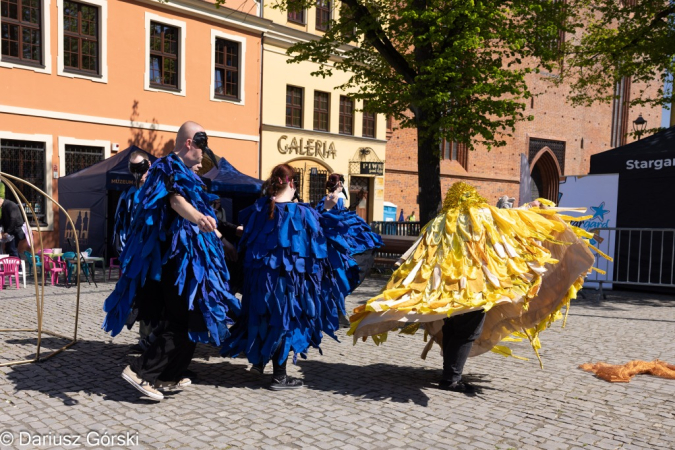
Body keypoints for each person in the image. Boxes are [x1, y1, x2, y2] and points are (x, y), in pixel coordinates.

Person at [349, 182, 601, 393]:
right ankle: (451, 378)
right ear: (474, 198)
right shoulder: (482, 215)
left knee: (453, 325)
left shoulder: (439, 223)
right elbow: (515, 220)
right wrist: (533, 208)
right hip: (475, 286)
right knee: (468, 329)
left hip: (446, 287)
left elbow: (421, 257)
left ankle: (450, 374)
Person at [103, 121, 240, 401]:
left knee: (187, 319)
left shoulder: (185, 173)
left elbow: (191, 206)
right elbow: (175, 201)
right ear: (189, 143)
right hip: (175, 263)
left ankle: (168, 375)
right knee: (180, 321)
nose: (204, 155)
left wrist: (214, 226)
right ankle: (141, 371)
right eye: (201, 147)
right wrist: (199, 218)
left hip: (188, 263)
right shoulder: (167, 167)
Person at [220, 164, 354, 390]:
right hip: (286, 282)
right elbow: (322, 233)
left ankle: (264, 364)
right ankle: (279, 377)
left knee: (265, 320)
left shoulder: (259, 209)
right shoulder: (301, 212)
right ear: (292, 183)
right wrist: (331, 205)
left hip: (259, 281)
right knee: (284, 322)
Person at [316, 173, 382, 285]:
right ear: (339, 184)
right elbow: (329, 216)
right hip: (334, 233)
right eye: (342, 182)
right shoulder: (334, 198)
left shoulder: (329, 198)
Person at [0, 183, 26, 257]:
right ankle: (15, 265)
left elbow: (13, 220)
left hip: (16, 231)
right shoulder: (4, 207)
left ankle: (18, 267)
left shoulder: (10, 205)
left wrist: (7, 232)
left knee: (12, 249)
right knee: (9, 249)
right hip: (12, 232)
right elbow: (3, 220)